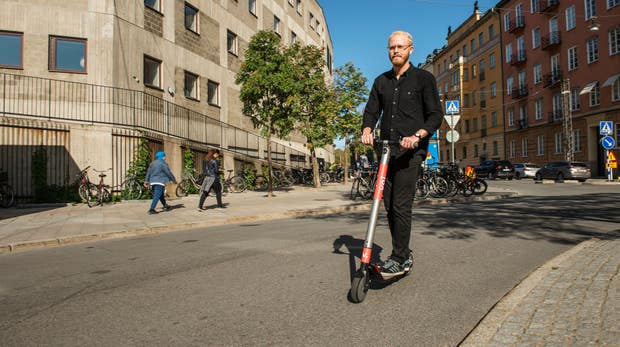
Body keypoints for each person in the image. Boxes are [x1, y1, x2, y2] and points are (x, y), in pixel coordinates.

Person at [361, 31, 443, 278]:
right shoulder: (381, 81)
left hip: (411, 152)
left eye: (400, 47)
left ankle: (400, 257)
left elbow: (435, 115)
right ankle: (403, 252)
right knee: (387, 205)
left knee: (400, 205)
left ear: (410, 49)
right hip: (386, 152)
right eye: (391, 47)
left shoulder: (423, 79)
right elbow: (371, 112)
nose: (395, 51)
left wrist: (417, 135)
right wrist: (367, 129)